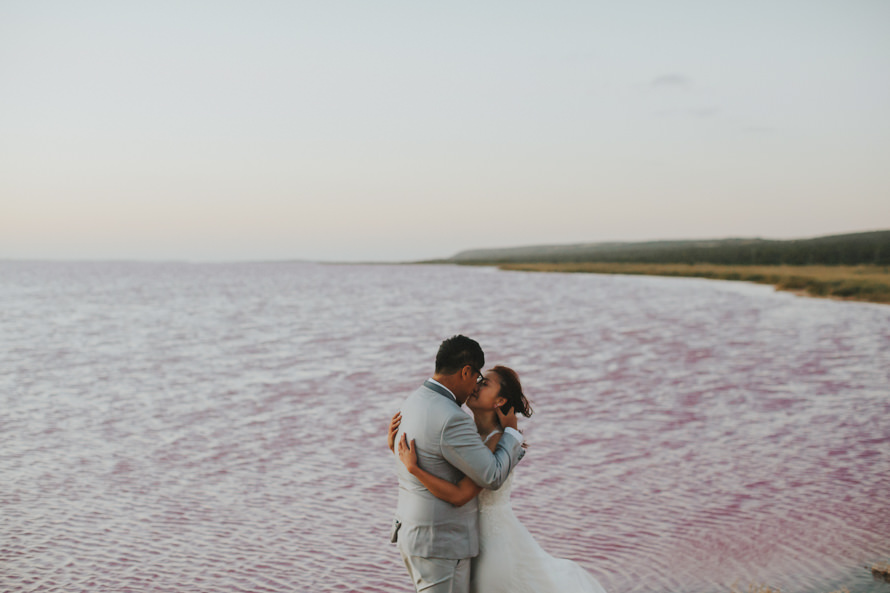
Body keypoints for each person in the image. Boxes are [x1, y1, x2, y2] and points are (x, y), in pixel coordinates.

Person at [389, 364, 607, 593]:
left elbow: (460, 494)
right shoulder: (467, 434)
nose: (476, 386)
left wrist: (414, 469)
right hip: (467, 537)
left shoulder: (496, 442)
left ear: (500, 401)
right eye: (478, 381)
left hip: (491, 543)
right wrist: (395, 447)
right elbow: (444, 472)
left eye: (485, 384)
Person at [389, 335, 526, 593]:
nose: (476, 386)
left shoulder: (414, 400)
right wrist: (513, 434)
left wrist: (396, 452)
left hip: (415, 535)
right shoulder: (454, 419)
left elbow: (422, 454)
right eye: (477, 378)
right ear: (466, 371)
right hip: (442, 542)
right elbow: (492, 476)